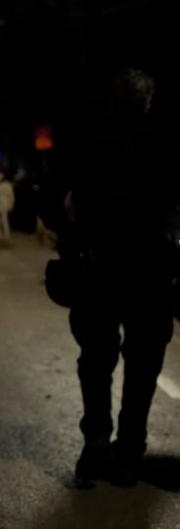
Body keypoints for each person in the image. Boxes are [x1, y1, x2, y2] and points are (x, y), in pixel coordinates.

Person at [54, 67, 178, 488]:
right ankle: (129, 453)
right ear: (147, 102)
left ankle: (96, 446)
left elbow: (55, 204)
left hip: (97, 272)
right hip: (152, 276)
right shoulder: (165, 144)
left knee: (96, 363)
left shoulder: (87, 144)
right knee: (143, 367)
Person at [0, 167, 15, 244]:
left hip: (4, 205)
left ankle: (5, 237)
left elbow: (11, 196)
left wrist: (10, 206)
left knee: (4, 221)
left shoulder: (7, 185)